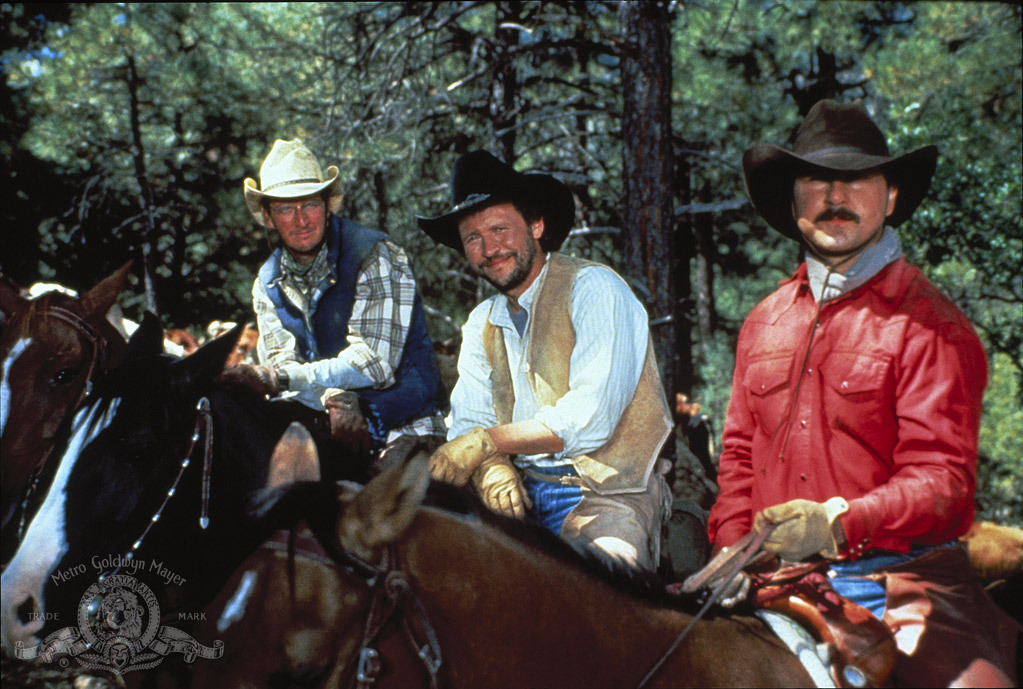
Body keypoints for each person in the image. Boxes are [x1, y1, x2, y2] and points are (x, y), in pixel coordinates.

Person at [707, 99, 1019, 686]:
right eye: (816, 180)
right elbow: (739, 457)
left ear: (891, 197)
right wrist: (731, 550)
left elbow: (944, 482)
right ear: (793, 200)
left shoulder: (931, 323)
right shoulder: (763, 322)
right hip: (775, 578)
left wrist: (837, 520)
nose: (834, 195)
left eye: (855, 179)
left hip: (900, 580)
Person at [417, 151, 674, 572]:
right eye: (472, 238)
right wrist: (494, 469)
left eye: (499, 228)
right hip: (519, 496)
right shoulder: (483, 322)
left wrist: (488, 443)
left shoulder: (594, 288)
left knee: (607, 584)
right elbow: (468, 421)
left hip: (609, 494)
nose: (488, 248)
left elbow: (590, 417)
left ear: (536, 225)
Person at [226, 139, 447, 459]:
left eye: (310, 205)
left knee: (380, 505)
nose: (301, 220)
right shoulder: (267, 282)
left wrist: (281, 378)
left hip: (406, 424)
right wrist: (333, 396)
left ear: (327, 205)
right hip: (326, 423)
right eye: (286, 208)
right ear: (268, 217)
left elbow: (375, 364)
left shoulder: (375, 254)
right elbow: (284, 363)